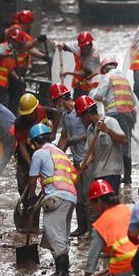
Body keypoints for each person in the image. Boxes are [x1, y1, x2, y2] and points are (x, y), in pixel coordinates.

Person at [21, 123, 77, 276]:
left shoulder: (39, 153)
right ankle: (63, 270)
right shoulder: (59, 152)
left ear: (33, 142)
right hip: (70, 196)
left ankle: (62, 273)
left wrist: (31, 198)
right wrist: (38, 201)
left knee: (53, 233)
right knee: (62, 233)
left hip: (57, 195)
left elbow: (32, 180)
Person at [51, 83, 90, 237]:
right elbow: (64, 137)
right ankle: (81, 228)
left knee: (87, 195)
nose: (56, 106)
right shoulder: (65, 116)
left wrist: (74, 140)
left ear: (61, 99)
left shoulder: (80, 110)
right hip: (76, 160)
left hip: (87, 159)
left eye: (56, 102)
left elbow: (91, 132)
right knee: (78, 195)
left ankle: (92, 229)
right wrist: (58, 155)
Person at [93, 57, 137, 184]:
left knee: (114, 143)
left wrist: (105, 100)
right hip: (128, 114)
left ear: (105, 68)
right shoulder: (124, 79)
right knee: (126, 144)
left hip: (115, 114)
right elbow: (133, 101)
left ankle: (117, 174)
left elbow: (97, 95)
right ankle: (128, 176)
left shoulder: (108, 77)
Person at [76, 95, 127, 193]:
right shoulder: (90, 129)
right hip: (98, 174)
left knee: (111, 204)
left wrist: (107, 130)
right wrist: (85, 162)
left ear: (87, 113)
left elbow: (124, 140)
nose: (81, 120)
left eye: (81, 117)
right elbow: (92, 153)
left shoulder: (110, 122)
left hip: (111, 172)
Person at [14, 93, 61, 194]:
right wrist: (31, 163)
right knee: (23, 181)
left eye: (29, 114)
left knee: (50, 177)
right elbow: (21, 145)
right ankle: (27, 201)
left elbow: (56, 113)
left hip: (43, 147)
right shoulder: (19, 123)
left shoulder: (43, 110)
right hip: (27, 150)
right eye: (25, 114)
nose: (27, 117)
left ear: (35, 109)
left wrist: (54, 133)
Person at [57, 31, 101, 98]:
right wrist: (61, 45)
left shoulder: (94, 55)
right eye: (82, 47)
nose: (83, 49)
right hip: (79, 86)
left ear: (90, 44)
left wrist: (67, 72)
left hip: (90, 87)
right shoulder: (79, 47)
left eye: (85, 47)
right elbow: (66, 46)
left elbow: (85, 73)